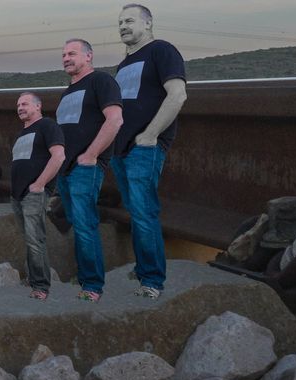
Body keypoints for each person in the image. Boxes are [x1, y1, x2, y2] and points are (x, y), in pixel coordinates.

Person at [112, 4, 187, 299]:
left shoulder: (162, 50)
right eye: (119, 22)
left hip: (144, 147)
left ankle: (153, 281)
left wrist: (151, 134)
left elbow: (178, 94)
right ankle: (145, 269)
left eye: (129, 20)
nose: (123, 26)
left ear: (148, 22)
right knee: (135, 211)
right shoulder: (124, 64)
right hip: (122, 149)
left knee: (143, 211)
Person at [56, 38, 123, 302]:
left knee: (84, 224)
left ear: (89, 56)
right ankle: (85, 279)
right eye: (63, 54)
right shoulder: (68, 92)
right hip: (65, 168)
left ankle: (92, 287)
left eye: (72, 53)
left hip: (85, 167)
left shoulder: (101, 82)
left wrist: (92, 154)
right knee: (77, 222)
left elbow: (115, 119)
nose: (66, 58)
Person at [10, 92, 65, 300]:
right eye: (18, 105)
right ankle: (34, 281)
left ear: (38, 106)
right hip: (17, 196)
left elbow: (59, 156)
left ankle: (41, 287)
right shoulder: (21, 135)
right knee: (28, 239)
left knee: (35, 240)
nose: (20, 108)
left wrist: (40, 184)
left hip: (34, 193)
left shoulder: (47, 126)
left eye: (25, 104)